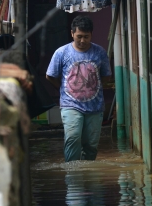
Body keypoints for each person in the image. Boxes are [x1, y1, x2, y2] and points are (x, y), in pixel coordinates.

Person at [46, 15, 112, 162]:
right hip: (70, 105)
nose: (82, 40)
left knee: (91, 145)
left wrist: (93, 86)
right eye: (79, 36)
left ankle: (87, 173)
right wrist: (62, 89)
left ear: (91, 35)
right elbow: (50, 75)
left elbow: (106, 76)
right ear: (72, 33)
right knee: (73, 138)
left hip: (95, 107)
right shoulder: (61, 53)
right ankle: (73, 174)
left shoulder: (99, 52)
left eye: (86, 37)